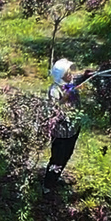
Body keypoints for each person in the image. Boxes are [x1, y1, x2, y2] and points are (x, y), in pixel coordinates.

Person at [43, 59, 93, 195]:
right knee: (57, 158)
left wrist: (85, 75)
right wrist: (64, 98)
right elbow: (53, 111)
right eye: (67, 72)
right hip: (60, 133)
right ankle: (47, 185)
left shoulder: (70, 82)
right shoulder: (54, 90)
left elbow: (79, 78)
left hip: (73, 130)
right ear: (61, 76)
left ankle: (56, 178)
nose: (70, 74)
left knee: (67, 155)